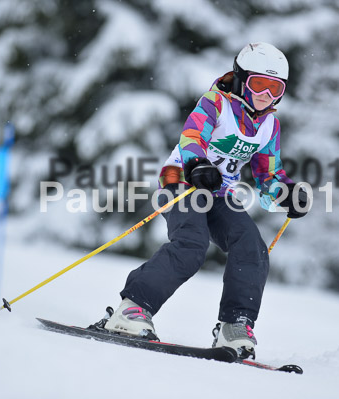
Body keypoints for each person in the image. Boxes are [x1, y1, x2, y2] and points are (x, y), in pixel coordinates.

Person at [102, 42, 308, 358]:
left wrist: (287, 194)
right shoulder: (215, 103)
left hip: (220, 195)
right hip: (181, 184)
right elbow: (192, 137)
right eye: (259, 85)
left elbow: (268, 174)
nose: (267, 95)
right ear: (241, 79)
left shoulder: (269, 125)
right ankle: (132, 310)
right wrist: (197, 165)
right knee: (191, 244)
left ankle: (235, 325)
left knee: (251, 246)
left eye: (275, 88)